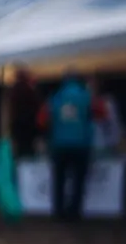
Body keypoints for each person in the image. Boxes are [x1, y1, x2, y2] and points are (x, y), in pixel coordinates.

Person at [39, 72, 95, 221]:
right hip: (82, 144)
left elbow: (43, 120)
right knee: (78, 181)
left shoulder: (55, 97)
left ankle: (58, 211)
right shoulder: (86, 95)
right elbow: (101, 113)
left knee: (59, 180)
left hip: (59, 145)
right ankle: (75, 212)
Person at [8, 66, 41, 160]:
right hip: (29, 126)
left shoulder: (13, 91)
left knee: (19, 155)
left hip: (17, 127)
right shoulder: (30, 91)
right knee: (28, 155)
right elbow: (36, 108)